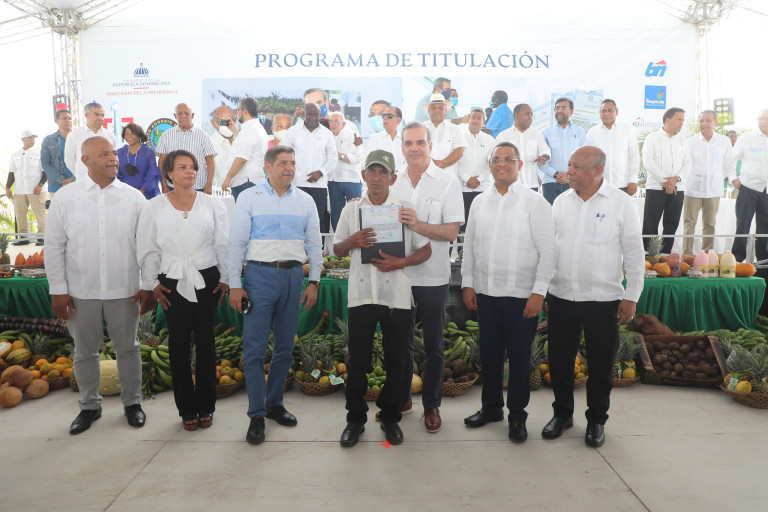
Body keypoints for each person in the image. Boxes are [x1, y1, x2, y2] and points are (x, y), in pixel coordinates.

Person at [45, 136, 156, 435]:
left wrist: (148, 285)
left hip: (126, 290)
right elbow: (54, 246)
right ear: (86, 160)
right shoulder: (66, 198)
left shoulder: (134, 198)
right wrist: (58, 289)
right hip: (81, 291)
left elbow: (148, 247)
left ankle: (133, 403)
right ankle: (89, 406)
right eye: (104, 154)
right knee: (84, 351)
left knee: (128, 349)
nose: (113, 159)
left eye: (114, 154)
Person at [544, 146, 644, 448]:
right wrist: (543, 287)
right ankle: (562, 415)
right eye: (569, 165)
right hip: (561, 296)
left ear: (598, 170)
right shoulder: (561, 201)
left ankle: (596, 420)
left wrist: (631, 295)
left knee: (601, 366)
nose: (569, 171)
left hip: (602, 299)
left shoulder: (621, 203)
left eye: (577, 166)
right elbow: (550, 248)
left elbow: (635, 253)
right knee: (559, 362)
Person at [334, 150, 432, 448]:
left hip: (396, 295)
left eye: (383, 172)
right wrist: (352, 242)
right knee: (357, 363)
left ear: (392, 177)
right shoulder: (351, 209)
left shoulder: (404, 209)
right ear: (363, 175)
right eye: (371, 171)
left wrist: (400, 262)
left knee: (396, 362)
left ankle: (390, 417)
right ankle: (355, 420)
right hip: (362, 294)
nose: (376, 177)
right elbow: (336, 249)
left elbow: (425, 250)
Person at [227, 145, 322, 445]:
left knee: (284, 347)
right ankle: (256, 414)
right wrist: (234, 284)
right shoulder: (249, 198)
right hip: (258, 277)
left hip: (294, 277)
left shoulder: (305, 200)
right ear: (267, 167)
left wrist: (314, 281)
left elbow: (315, 243)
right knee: (254, 350)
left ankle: (275, 404)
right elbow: (236, 243)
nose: (289, 168)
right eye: (282, 163)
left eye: (292, 162)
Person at [462, 142, 556, 441]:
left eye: (508, 159)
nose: (501, 164)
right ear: (489, 165)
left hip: (522, 296)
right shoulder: (479, 202)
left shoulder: (535, 202)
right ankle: (491, 408)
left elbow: (548, 251)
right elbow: (470, 245)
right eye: (496, 159)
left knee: (519, 359)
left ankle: (517, 416)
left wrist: (538, 292)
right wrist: (467, 283)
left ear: (520, 164)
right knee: (489, 356)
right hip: (486, 293)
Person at [137, 150, 229, 431]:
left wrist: (226, 277)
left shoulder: (212, 203)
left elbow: (222, 244)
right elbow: (149, 249)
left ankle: (206, 406)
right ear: (169, 173)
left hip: (206, 277)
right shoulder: (153, 206)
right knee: (178, 345)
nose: (190, 172)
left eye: (193, 167)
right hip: (171, 280)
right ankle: (186, 408)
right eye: (182, 167)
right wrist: (152, 283)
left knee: (206, 343)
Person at [390, 122, 464, 433]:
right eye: (408, 143)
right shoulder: (394, 183)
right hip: (399, 275)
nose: (414, 148)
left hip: (433, 277)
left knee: (433, 344)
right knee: (401, 341)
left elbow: (451, 232)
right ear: (402, 147)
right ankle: (403, 398)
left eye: (420, 142)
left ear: (430, 146)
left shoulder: (447, 182)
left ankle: (431, 405)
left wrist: (417, 224)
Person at [280, 102, 338, 235]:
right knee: (296, 220)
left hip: (319, 186)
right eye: (310, 114)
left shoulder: (327, 134)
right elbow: (282, 153)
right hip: (297, 184)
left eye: (316, 114)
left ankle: (319, 247)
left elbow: (333, 159)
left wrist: (321, 172)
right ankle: (296, 246)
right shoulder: (293, 131)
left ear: (320, 114)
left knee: (318, 220)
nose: (313, 118)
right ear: (303, 114)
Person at [641, 107, 691, 254]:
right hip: (655, 188)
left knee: (671, 224)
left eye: (683, 120)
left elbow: (688, 163)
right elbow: (648, 162)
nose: (682, 123)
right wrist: (666, 181)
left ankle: (665, 256)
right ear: (668, 120)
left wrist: (675, 179)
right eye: (679, 119)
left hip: (678, 188)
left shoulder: (684, 140)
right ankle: (649, 257)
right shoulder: (652, 138)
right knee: (650, 224)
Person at [683, 111, 732, 255]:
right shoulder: (690, 141)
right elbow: (685, 165)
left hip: (714, 189)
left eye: (708, 120)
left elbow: (728, 164)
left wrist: (721, 177)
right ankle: (687, 254)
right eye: (701, 121)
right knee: (689, 223)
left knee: (710, 224)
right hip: (693, 189)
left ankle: (707, 255)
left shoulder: (724, 141)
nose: (704, 123)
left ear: (715, 122)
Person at [727, 109, 768, 262]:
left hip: (767, 190)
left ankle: (763, 259)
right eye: (760, 118)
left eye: (765, 118)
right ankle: (737, 259)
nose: (762, 122)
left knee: (765, 226)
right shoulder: (747, 138)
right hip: (748, 188)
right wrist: (733, 178)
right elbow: (731, 158)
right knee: (742, 225)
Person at [156, 103, 217, 194]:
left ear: (192, 115)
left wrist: (209, 185)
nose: (183, 116)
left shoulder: (203, 136)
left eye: (187, 113)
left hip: (199, 187)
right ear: (175, 116)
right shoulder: (165, 136)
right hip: (173, 187)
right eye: (179, 113)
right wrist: (163, 184)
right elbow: (162, 162)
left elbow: (210, 162)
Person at [584, 99, 640, 195]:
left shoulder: (627, 129)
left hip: (622, 184)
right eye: (603, 111)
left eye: (610, 110)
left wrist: (633, 180)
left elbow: (634, 156)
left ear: (616, 112)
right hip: (599, 185)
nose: (606, 114)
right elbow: (587, 159)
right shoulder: (592, 132)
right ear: (599, 113)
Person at [221, 97, 269, 201]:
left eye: (238, 109)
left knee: (244, 211)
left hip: (245, 183)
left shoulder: (249, 130)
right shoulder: (256, 128)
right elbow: (247, 145)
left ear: (245, 111)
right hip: (250, 182)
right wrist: (235, 131)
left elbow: (241, 159)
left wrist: (227, 179)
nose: (237, 113)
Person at [539, 97, 585, 205]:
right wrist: (556, 174)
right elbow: (540, 161)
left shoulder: (580, 132)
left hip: (573, 182)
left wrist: (568, 175)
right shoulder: (545, 132)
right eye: (557, 108)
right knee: (550, 214)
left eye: (564, 108)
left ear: (571, 111)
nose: (559, 110)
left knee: (573, 213)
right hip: (550, 183)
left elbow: (584, 159)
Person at [495, 104, 551, 191]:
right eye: (527, 114)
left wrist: (544, 157)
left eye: (531, 115)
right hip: (510, 186)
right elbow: (493, 158)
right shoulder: (503, 136)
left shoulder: (536, 134)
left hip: (531, 185)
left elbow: (546, 151)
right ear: (516, 115)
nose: (530, 118)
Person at [6, 130, 47, 246]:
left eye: (33, 138)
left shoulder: (40, 153)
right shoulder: (15, 154)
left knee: (40, 214)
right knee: (20, 214)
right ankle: (23, 237)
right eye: (30, 138)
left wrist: (40, 185)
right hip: (19, 190)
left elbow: (46, 171)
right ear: (23, 139)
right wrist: (8, 188)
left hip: (36, 190)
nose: (32, 140)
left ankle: (42, 237)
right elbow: (11, 172)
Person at [457, 109, 494, 225]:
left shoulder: (489, 140)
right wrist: (466, 179)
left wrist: (480, 179)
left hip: (483, 188)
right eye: (473, 117)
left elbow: (492, 163)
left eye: (479, 118)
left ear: (483, 122)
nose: (476, 120)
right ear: (468, 119)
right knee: (463, 225)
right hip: (462, 189)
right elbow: (454, 162)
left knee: (482, 224)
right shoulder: (458, 137)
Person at [64, 102, 116, 181]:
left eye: (102, 115)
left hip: (106, 181)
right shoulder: (74, 135)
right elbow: (69, 159)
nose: (100, 118)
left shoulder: (110, 136)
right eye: (96, 114)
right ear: (86, 115)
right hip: (83, 181)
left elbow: (114, 158)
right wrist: (80, 174)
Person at [328, 111, 362, 230]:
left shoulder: (353, 135)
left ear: (343, 124)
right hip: (333, 180)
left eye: (336, 121)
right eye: (330, 121)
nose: (333, 124)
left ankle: (357, 236)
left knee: (356, 212)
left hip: (351, 180)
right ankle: (338, 239)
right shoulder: (327, 136)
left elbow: (357, 158)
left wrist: (341, 155)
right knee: (336, 215)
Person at [423, 93, 467, 181]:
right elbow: (417, 151)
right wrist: (432, 165)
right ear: (428, 110)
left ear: (446, 110)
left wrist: (441, 165)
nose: (437, 110)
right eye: (433, 108)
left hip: (449, 178)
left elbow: (459, 151)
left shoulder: (455, 129)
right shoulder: (420, 128)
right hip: (425, 177)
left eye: (440, 108)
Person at [116, 123, 162, 199]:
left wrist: (141, 192)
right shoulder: (119, 152)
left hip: (146, 194)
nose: (129, 136)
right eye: (126, 134)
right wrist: (124, 192)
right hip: (125, 195)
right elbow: (116, 175)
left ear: (139, 135)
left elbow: (152, 174)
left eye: (132, 133)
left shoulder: (149, 152)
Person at [40, 109, 75, 199]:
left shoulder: (78, 138)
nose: (68, 120)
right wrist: (62, 180)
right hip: (56, 186)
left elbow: (85, 161)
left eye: (69, 118)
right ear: (57, 121)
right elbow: (45, 164)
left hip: (76, 184)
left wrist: (73, 178)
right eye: (64, 118)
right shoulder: (48, 140)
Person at [367, 106, 406, 172]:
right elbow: (370, 160)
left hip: (401, 176)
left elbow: (409, 161)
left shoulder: (404, 139)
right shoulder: (375, 138)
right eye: (383, 116)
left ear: (398, 120)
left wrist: (398, 172)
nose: (385, 118)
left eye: (389, 116)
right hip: (381, 176)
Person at [209, 105, 240, 187]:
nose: (228, 125)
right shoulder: (209, 145)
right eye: (223, 122)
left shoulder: (242, 140)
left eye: (231, 120)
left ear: (236, 120)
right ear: (213, 123)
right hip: (220, 192)